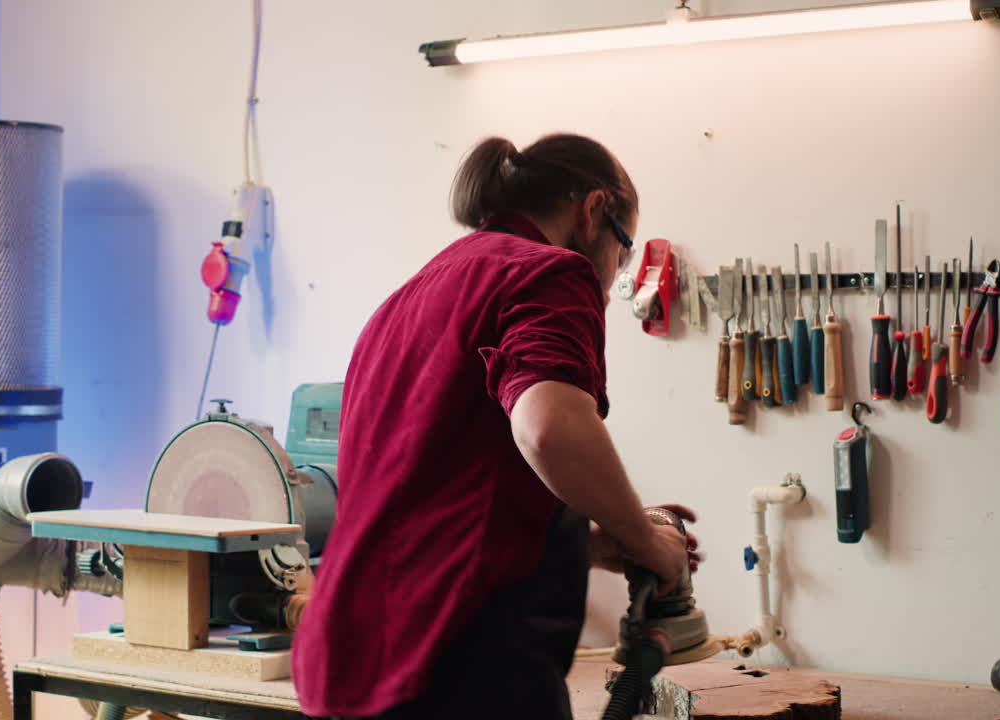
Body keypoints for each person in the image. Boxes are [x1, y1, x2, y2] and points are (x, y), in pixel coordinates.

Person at [291, 133, 702, 720]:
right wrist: (643, 539)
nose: (616, 274)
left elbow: (432, 501)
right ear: (593, 212)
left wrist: (584, 544)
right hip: (457, 664)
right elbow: (548, 430)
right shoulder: (549, 274)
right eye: (624, 248)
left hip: (351, 663)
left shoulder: (410, 297)